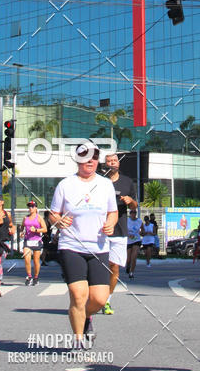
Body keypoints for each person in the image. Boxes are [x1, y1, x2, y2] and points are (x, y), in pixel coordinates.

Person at [49, 142, 118, 347]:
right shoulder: (65, 185)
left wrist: (111, 224)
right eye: (86, 156)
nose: (90, 160)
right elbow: (53, 214)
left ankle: (85, 316)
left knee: (99, 299)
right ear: (78, 159)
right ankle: (78, 339)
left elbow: (112, 212)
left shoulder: (105, 185)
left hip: (98, 247)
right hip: (72, 246)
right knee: (78, 295)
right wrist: (58, 221)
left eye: (94, 157)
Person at [102, 152, 137, 313]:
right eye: (109, 161)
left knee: (114, 266)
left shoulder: (128, 182)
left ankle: (107, 300)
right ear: (105, 164)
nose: (112, 163)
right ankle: (95, 296)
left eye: (114, 161)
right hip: (100, 231)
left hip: (120, 230)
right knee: (98, 265)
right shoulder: (99, 182)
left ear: (119, 164)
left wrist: (130, 202)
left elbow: (135, 206)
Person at [21, 200, 47, 285]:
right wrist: (22, 232)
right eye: (29, 206)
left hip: (36, 241)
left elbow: (45, 229)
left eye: (32, 206)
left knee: (36, 261)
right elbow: (22, 227)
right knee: (27, 259)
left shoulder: (39, 218)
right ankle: (29, 276)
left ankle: (36, 277)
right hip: (27, 241)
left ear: (36, 208)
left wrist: (36, 230)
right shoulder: (25, 218)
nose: (30, 208)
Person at [126, 208, 142, 279]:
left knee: (134, 257)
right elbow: (123, 229)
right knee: (128, 259)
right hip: (128, 241)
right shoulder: (127, 220)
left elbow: (143, 230)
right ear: (130, 214)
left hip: (136, 240)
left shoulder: (139, 221)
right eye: (132, 212)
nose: (133, 214)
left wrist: (141, 233)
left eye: (135, 212)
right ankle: (128, 265)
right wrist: (128, 235)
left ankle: (131, 272)